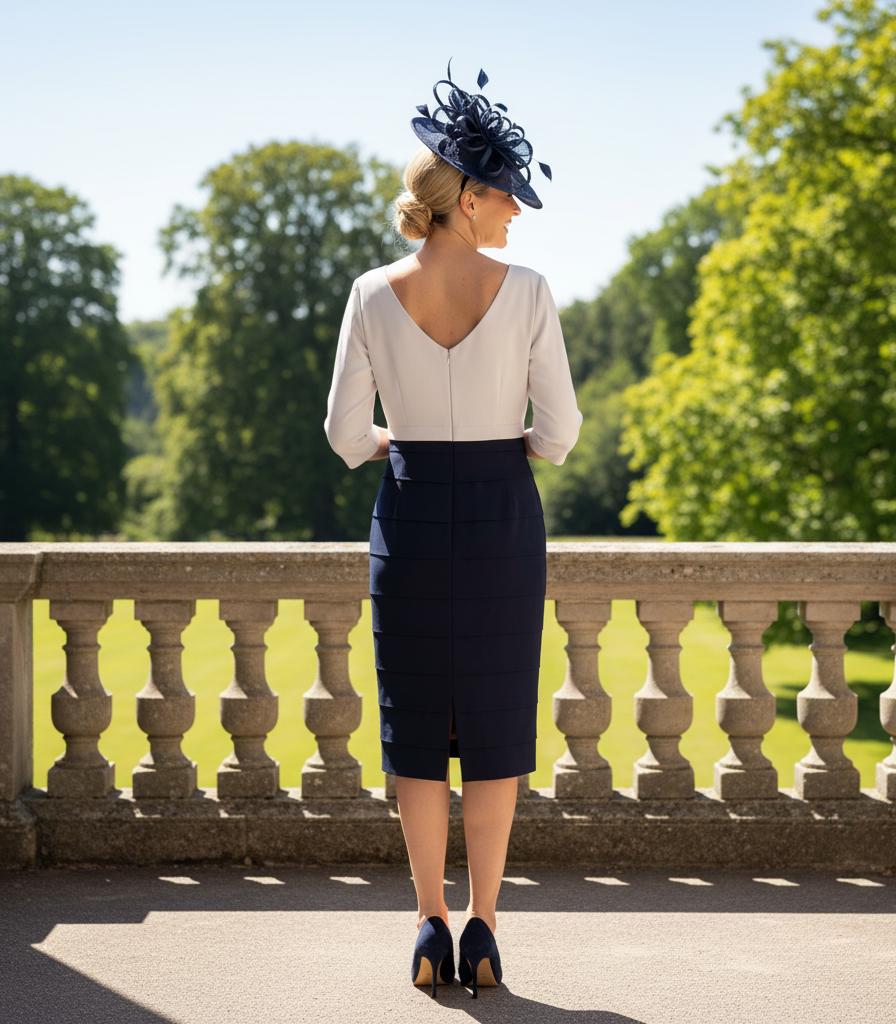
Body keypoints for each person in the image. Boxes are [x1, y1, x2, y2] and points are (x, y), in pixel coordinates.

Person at [323, 57, 583, 999]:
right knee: (499, 726)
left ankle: (428, 923)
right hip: (502, 520)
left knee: (418, 732)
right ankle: (485, 930)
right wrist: (501, 438)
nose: (515, 208)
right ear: (466, 199)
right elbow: (558, 436)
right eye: (505, 194)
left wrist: (410, 441)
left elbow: (347, 436)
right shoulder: (529, 291)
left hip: (411, 513)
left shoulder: (368, 292)